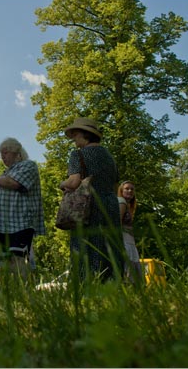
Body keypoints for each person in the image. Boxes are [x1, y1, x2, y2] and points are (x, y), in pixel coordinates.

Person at [59, 117, 124, 282]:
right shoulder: (109, 156)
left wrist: (62, 184)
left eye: (76, 134)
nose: (73, 138)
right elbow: (116, 185)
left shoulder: (78, 155)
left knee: (85, 245)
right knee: (110, 245)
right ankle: (112, 284)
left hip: (88, 205)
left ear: (85, 134)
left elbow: (74, 182)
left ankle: (85, 285)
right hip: (110, 204)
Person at [0, 138, 45, 278]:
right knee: (4, 264)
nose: (2, 157)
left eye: (5, 153)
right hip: (4, 225)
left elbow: (14, 184)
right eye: (1, 154)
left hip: (21, 223)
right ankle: (9, 293)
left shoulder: (28, 166)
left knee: (18, 260)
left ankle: (23, 292)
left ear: (17, 153)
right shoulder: (4, 174)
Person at [118, 180, 142, 283]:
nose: (130, 191)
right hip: (124, 242)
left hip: (129, 242)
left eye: (132, 189)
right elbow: (117, 223)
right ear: (121, 191)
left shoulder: (128, 206)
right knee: (128, 274)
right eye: (127, 188)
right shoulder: (121, 202)